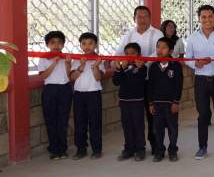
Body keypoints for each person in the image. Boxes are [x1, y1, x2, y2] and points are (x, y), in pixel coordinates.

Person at [115, 6, 162, 154]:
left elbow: (159, 52)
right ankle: (131, 146)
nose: (142, 19)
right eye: (139, 16)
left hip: (150, 81)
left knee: (152, 115)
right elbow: (118, 54)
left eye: (145, 16)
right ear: (134, 18)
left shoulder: (157, 33)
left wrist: (143, 62)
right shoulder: (128, 36)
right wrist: (118, 63)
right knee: (131, 118)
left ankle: (156, 146)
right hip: (132, 83)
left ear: (150, 18)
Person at [185, 5, 214, 159]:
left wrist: (213, 59)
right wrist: (195, 64)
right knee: (203, 114)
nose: (207, 20)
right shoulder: (192, 38)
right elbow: (187, 58)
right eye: (203, 17)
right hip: (201, 80)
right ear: (199, 19)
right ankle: (202, 147)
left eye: (210, 16)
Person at [69, 32, 104, 160]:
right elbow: (72, 77)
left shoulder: (99, 59)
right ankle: (81, 149)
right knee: (79, 122)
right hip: (79, 94)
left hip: (94, 94)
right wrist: (81, 66)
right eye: (84, 43)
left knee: (95, 122)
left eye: (90, 43)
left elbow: (98, 77)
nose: (87, 46)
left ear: (95, 45)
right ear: (80, 45)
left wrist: (94, 66)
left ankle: (97, 149)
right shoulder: (77, 59)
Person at [147, 37, 183, 162]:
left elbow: (179, 85)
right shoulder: (153, 67)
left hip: (170, 104)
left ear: (171, 50)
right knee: (157, 129)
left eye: (163, 47)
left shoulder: (176, 66)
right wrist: (151, 103)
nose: (160, 50)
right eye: (158, 47)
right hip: (157, 104)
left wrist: (176, 101)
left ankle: (173, 150)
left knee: (173, 128)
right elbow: (150, 86)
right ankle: (159, 151)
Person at [38, 31, 72, 160]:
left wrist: (67, 63)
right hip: (50, 90)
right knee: (50, 119)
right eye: (52, 43)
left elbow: (69, 75)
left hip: (65, 89)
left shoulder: (67, 57)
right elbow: (43, 76)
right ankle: (53, 149)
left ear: (63, 45)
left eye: (59, 42)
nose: (56, 45)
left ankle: (62, 149)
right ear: (47, 45)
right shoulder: (43, 58)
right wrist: (54, 63)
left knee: (63, 120)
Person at [112, 42, 147, 162]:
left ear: (139, 54)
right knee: (127, 126)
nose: (130, 56)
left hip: (137, 102)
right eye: (127, 54)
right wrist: (120, 68)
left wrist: (140, 67)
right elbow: (116, 82)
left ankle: (140, 149)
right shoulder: (122, 68)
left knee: (138, 125)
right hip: (124, 102)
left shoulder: (142, 68)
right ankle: (128, 149)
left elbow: (141, 80)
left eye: (133, 53)